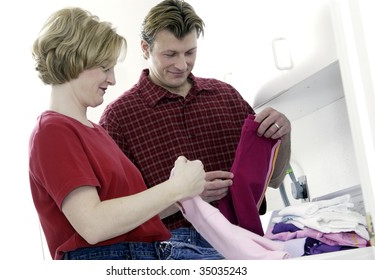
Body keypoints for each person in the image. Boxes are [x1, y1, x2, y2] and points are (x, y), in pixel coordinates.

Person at [99, 0, 292, 259]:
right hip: (176, 249)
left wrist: (284, 134)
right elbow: (116, 218)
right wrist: (185, 196)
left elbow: (275, 179)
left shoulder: (226, 96)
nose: (182, 64)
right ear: (145, 49)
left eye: (190, 52)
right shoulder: (118, 118)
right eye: (170, 55)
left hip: (246, 239)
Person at [28, 7, 208, 260]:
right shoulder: (53, 131)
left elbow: (129, 217)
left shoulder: (96, 132)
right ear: (72, 61)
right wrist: (175, 188)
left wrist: (185, 192)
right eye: (104, 68)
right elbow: (93, 225)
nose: (111, 80)